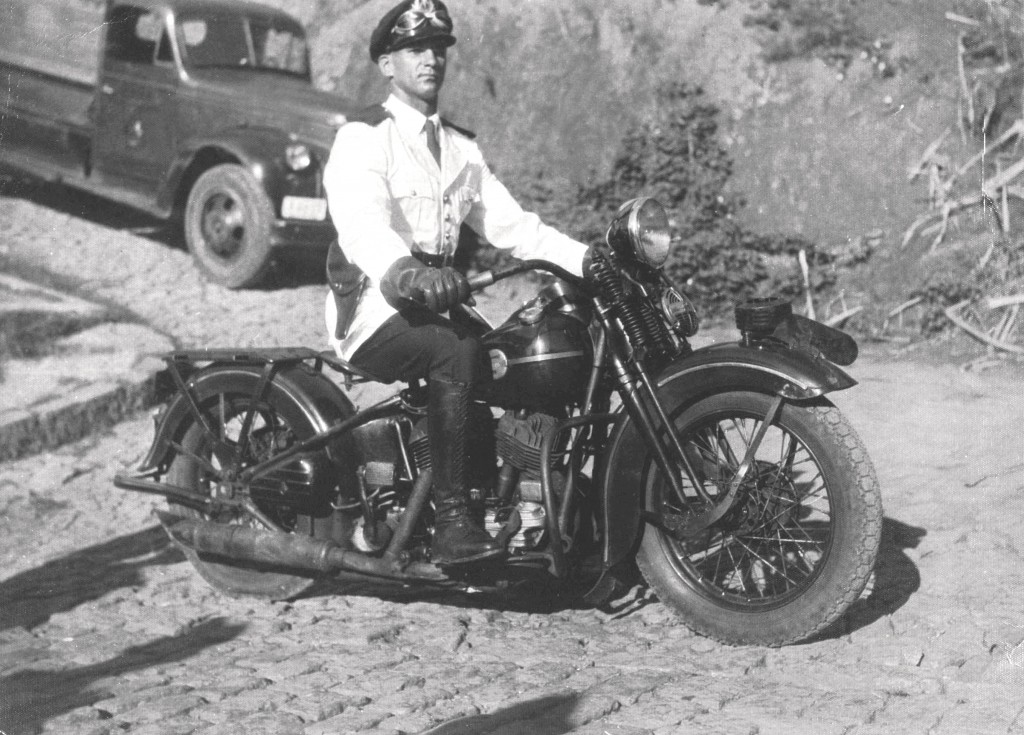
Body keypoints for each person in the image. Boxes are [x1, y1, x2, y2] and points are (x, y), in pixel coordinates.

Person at [322, 0, 589, 566]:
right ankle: (452, 522)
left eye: (438, 49)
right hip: (375, 307)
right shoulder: (364, 138)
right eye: (414, 49)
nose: (430, 59)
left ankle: (517, 493)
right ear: (387, 65)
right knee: (455, 352)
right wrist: (409, 272)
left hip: (438, 303)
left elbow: (516, 227)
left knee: (520, 357)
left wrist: (590, 261)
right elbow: (363, 227)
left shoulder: (461, 149)